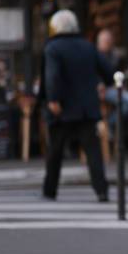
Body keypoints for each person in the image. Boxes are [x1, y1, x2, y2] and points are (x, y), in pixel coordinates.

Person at [39, 10, 114, 202]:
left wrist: (53, 99)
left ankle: (50, 190)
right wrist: (103, 85)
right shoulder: (87, 46)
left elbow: (52, 75)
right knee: (93, 152)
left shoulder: (53, 47)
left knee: (55, 152)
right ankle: (101, 190)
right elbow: (108, 71)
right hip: (86, 108)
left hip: (62, 108)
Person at [96, 28, 128, 126]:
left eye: (109, 41)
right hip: (102, 91)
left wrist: (121, 85)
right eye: (105, 41)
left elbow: (117, 74)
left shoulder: (113, 56)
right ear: (99, 42)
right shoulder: (95, 55)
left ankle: (109, 125)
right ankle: (107, 125)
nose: (108, 44)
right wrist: (99, 84)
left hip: (114, 87)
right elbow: (92, 74)